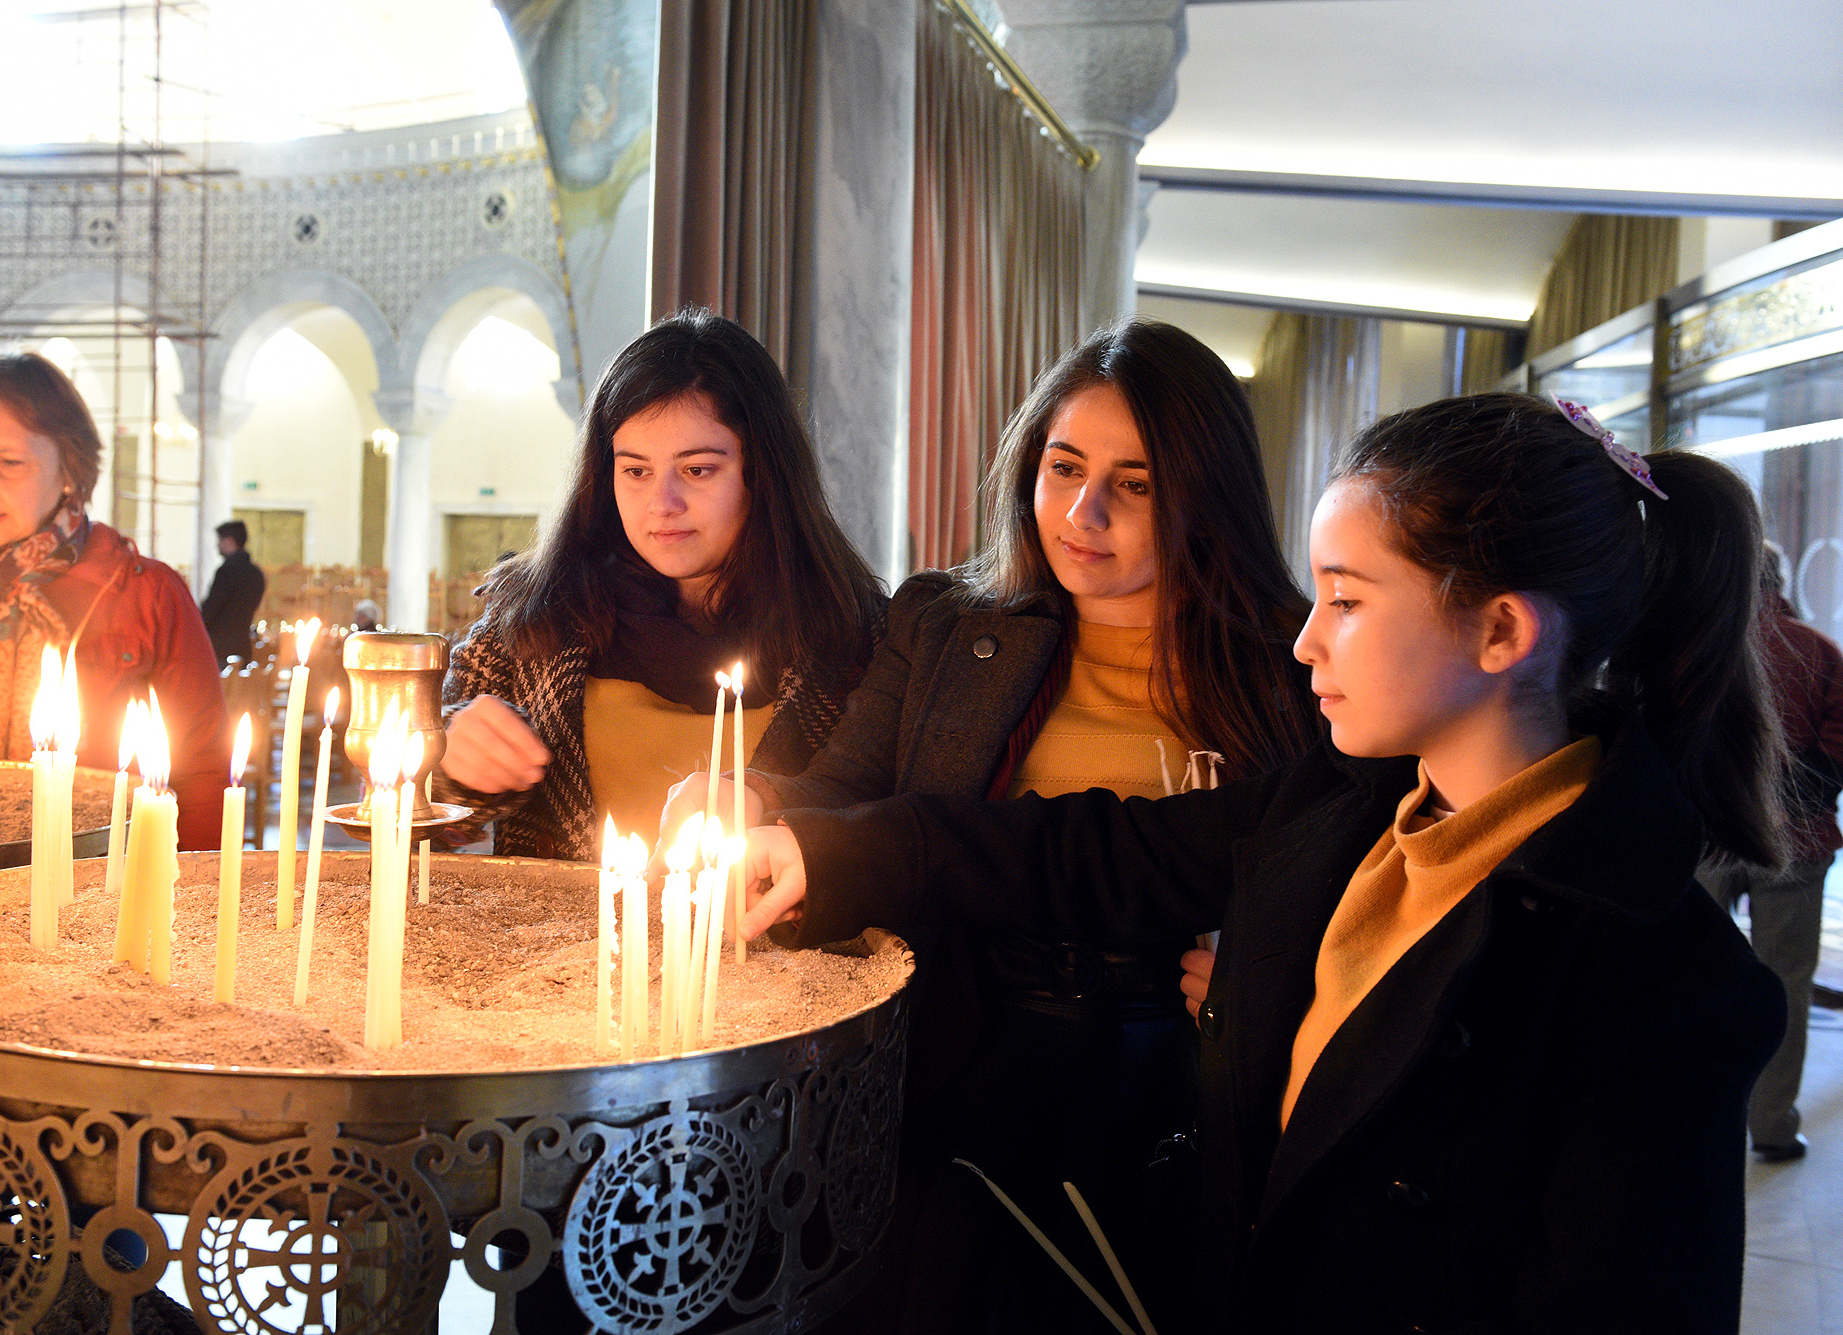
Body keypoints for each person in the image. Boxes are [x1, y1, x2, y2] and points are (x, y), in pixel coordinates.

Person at [736, 392, 1786, 1334]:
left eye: (1348, 598)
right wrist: (835, 849)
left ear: (1499, 630)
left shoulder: (1659, 983)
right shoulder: (1349, 806)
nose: (1305, 642)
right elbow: (1104, 851)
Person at [658, 317, 1315, 1333]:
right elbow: (841, 787)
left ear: (1205, 490)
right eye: (1061, 468)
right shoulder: (948, 625)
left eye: (1133, 485)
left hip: (1168, 1083)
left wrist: (1268, 970)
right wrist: (749, 801)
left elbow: (1332, 878)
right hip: (959, 1049)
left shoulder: (1291, 670)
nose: (1081, 511)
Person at [434, 309, 887, 859]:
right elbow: (421, 820)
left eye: (697, 470)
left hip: (768, 944)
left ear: (762, 471)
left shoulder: (857, 636)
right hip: (561, 945)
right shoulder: (535, 613)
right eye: (636, 470)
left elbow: (883, 829)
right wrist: (447, 756)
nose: (662, 505)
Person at [0, 353, 228, 850]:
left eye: (7, 462)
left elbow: (201, 775)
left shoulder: (143, 593)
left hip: (96, 887)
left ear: (69, 469)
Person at [1698, 540, 1843, 1162]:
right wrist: (1786, 800)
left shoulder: (1700, 647)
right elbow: (1838, 751)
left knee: (1695, 977)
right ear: (1779, 581)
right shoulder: (1818, 650)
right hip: (1797, 839)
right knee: (1786, 982)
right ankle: (1773, 1124)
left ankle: (1700, 1116)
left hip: (1707, 835)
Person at [199, 519, 266, 664]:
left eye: (219, 540)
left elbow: (211, 609)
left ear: (229, 541)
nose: (217, 545)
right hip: (243, 645)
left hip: (220, 648)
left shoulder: (227, 571)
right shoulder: (256, 573)